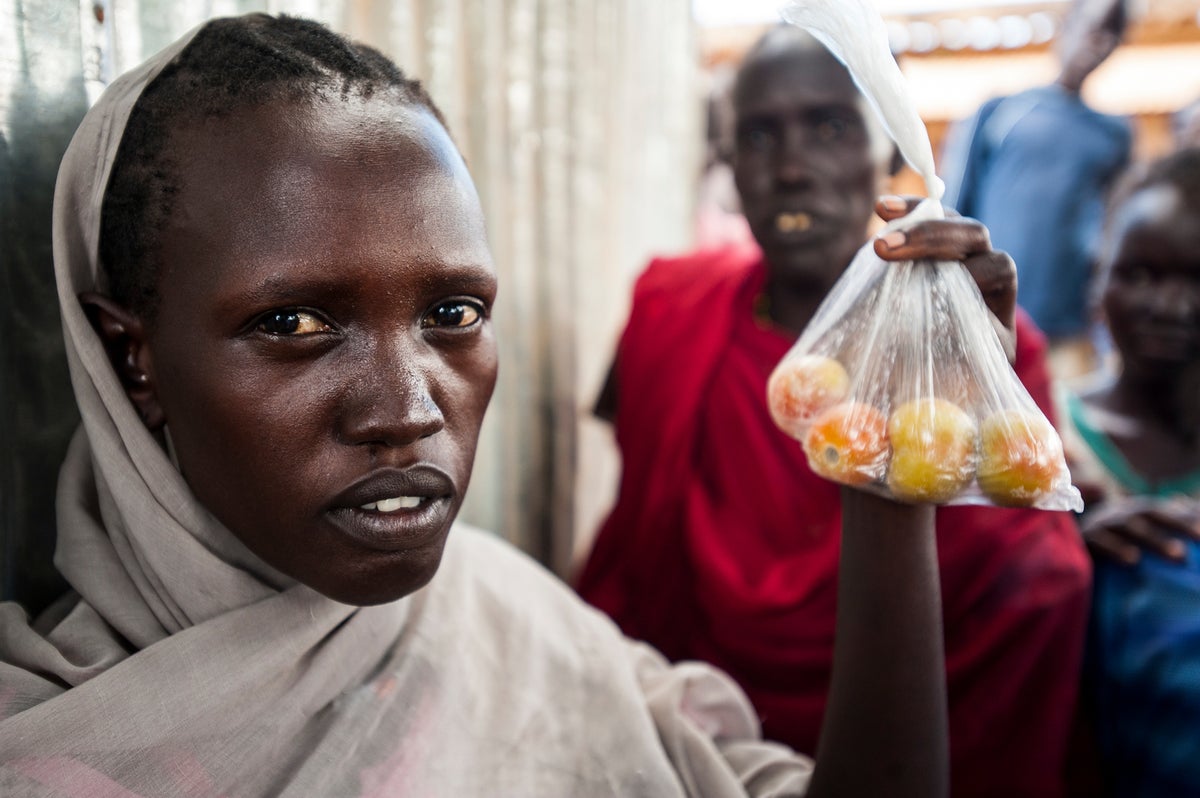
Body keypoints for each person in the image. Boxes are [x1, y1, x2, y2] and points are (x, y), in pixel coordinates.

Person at [0, 13, 1026, 797]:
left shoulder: (517, 625)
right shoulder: (48, 746)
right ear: (131, 357)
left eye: (453, 310)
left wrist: (894, 476)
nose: (405, 411)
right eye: (295, 325)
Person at [578, 24, 1091, 798]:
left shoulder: (986, 337)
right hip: (698, 737)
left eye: (827, 126)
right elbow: (637, 489)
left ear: (885, 153)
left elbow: (1026, 570)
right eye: (757, 136)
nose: (790, 169)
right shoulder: (669, 309)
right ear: (728, 167)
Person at [1056, 148, 1200, 797]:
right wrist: (1061, 554)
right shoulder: (1043, 437)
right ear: (1099, 281)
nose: (1169, 306)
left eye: (1196, 280)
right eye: (1138, 274)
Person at [940, 0, 1132, 382]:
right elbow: (955, 208)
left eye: (1112, 33)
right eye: (1093, 26)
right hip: (986, 322)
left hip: (1066, 331)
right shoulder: (1002, 112)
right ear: (1068, 25)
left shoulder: (1113, 135)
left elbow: (1115, 231)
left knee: (1058, 434)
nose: (1098, 41)